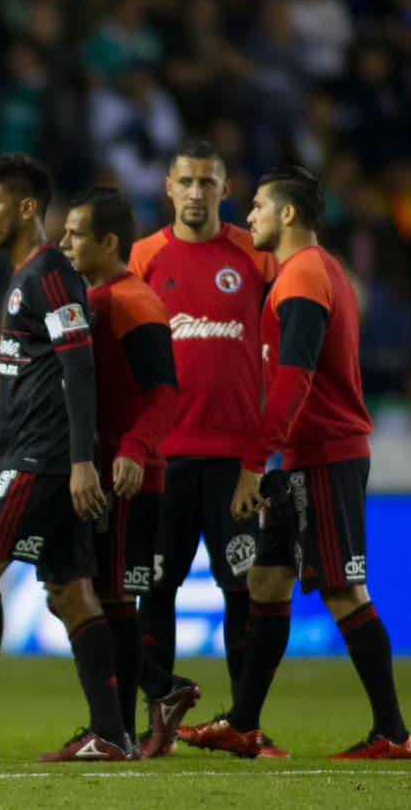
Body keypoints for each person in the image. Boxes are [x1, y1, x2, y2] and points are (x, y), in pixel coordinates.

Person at [180, 166, 411, 760]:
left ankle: (392, 733)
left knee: (343, 591)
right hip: (304, 458)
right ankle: (244, 723)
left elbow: (294, 381)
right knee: (267, 580)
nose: (249, 214)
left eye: (258, 205)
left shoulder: (305, 275)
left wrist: (255, 462)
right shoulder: (316, 271)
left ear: (288, 214)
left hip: (323, 456)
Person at [0, 153, 135, 764]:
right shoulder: (29, 274)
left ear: (28, 207)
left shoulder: (51, 274)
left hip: (47, 459)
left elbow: (80, 367)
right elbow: (25, 376)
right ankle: (111, 734)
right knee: (72, 592)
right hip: (26, 452)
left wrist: (81, 462)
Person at [127, 140, 277, 749]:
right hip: (163, 459)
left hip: (236, 459)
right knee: (155, 590)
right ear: (167, 186)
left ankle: (245, 724)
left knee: (241, 589)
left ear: (225, 188)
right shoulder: (142, 258)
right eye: (185, 181)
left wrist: (264, 455)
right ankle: (160, 714)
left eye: (207, 183)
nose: (195, 192)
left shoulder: (256, 254)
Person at [60, 187, 182, 757]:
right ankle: (140, 710)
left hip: (129, 477)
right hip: (103, 471)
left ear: (109, 243)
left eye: (76, 233)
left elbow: (164, 394)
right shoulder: (98, 299)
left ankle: (124, 730)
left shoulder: (134, 302)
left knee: (114, 600)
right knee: (102, 597)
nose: (64, 242)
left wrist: (134, 449)